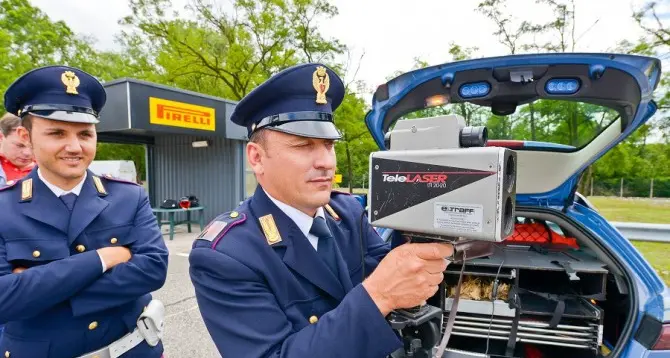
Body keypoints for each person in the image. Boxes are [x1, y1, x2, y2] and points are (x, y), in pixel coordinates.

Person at [189, 63, 454, 357]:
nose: (326, 162)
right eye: (303, 145)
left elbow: (393, 271)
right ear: (257, 158)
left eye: (328, 145)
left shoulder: (347, 213)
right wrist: (377, 296)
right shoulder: (227, 255)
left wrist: (420, 230)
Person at [0, 65, 169, 358]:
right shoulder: (4, 207)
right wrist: (103, 258)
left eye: (85, 134)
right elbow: (4, 300)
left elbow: (153, 270)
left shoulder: (128, 196)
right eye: (57, 133)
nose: (74, 147)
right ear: (25, 136)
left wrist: (37, 287)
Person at [0, 112, 35, 187]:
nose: (28, 153)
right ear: (1, 137)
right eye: (20, 145)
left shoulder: (48, 171)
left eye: (33, 146)